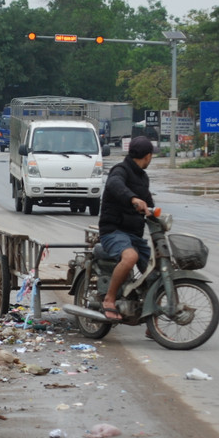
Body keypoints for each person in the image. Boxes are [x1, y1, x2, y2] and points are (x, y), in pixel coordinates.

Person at [98, 135, 155, 321]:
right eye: (151, 156)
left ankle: (152, 323)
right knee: (131, 256)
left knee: (155, 271)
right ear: (147, 156)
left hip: (134, 236)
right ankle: (109, 299)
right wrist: (133, 199)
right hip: (113, 231)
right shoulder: (120, 170)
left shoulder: (142, 177)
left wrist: (155, 214)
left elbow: (149, 203)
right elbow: (115, 185)